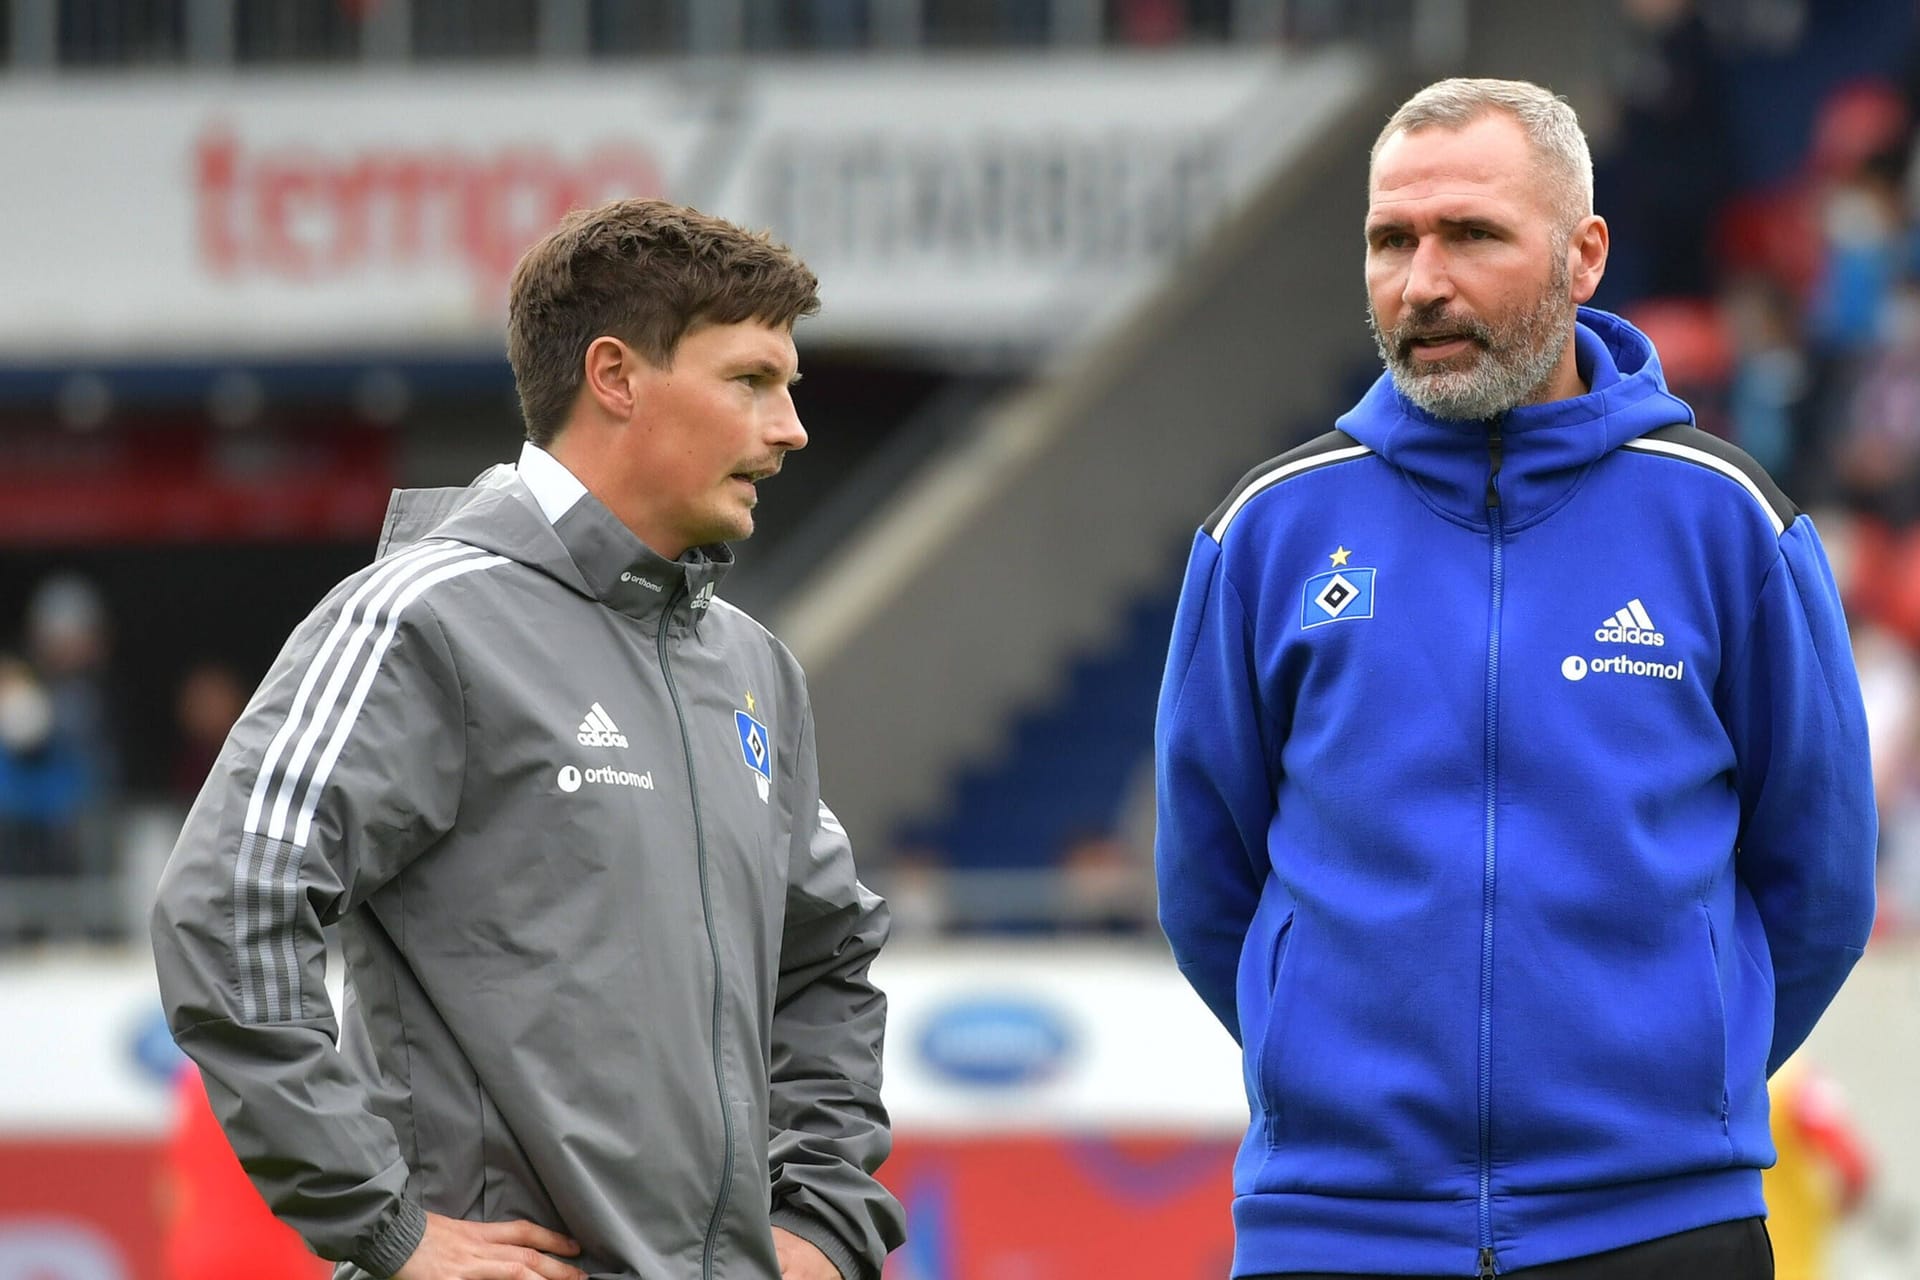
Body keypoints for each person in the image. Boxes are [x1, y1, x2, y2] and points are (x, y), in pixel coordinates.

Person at [1155, 78, 1877, 1280]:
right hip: (1334, 1227)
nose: (1423, 280)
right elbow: (1206, 880)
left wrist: (1673, 1087)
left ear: (1584, 254)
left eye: (1473, 234)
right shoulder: (1268, 532)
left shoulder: (1728, 521)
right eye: (1393, 240)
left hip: (1659, 1224)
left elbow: (1821, 879)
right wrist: (1335, 1073)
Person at [151, 198, 906, 1280]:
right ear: (615, 377)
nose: (789, 427)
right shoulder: (422, 617)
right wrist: (386, 1226)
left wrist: (825, 1218)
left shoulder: (752, 666)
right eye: (751, 381)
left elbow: (826, 958)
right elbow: (226, 904)